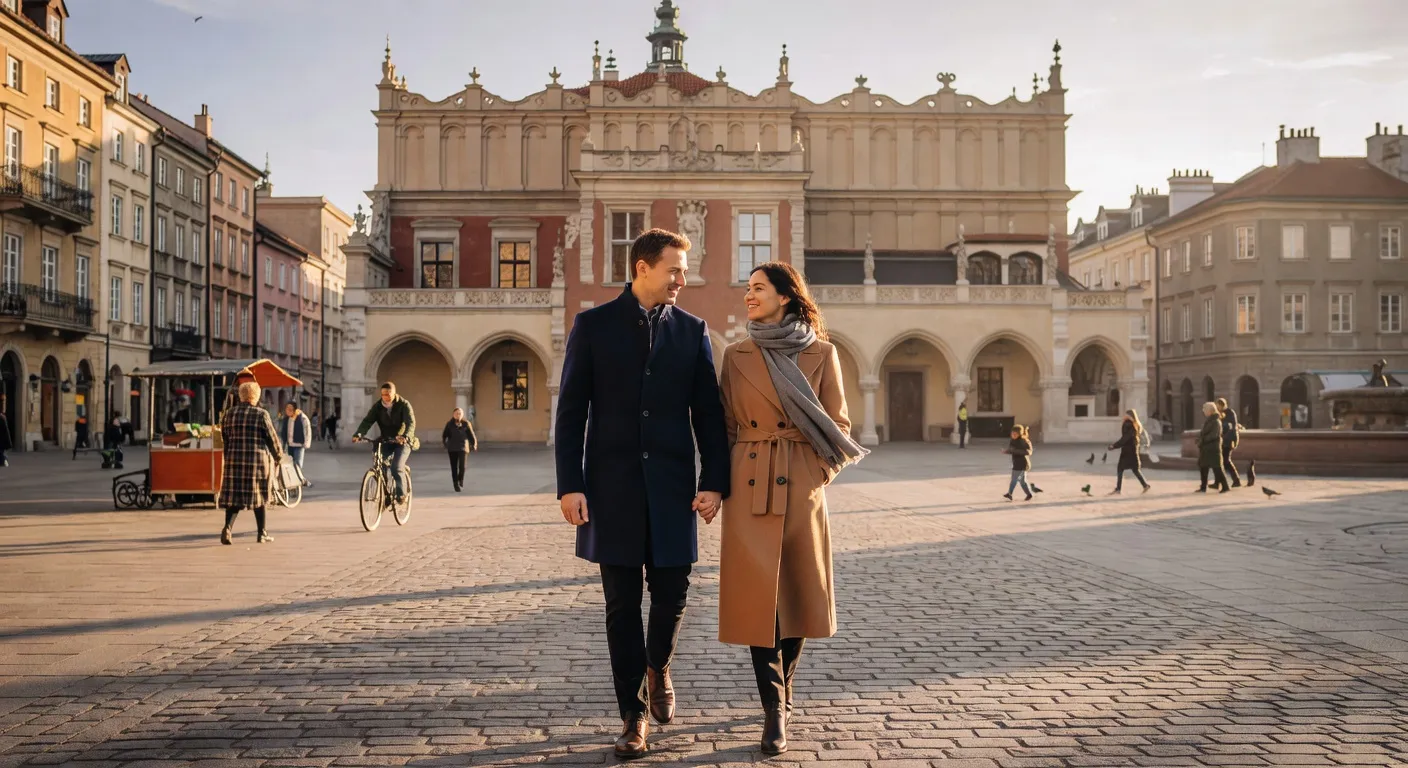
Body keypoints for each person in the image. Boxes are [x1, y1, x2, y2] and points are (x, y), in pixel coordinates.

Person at [554, 228, 729, 760]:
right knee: (621, 605)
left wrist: (713, 481)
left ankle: (658, 665)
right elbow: (571, 412)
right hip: (612, 489)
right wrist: (570, 484)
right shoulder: (592, 326)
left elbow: (708, 415)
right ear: (642, 268)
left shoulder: (692, 330)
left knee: (673, 592)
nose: (682, 280)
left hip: (674, 488)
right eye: (674, 269)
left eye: (684, 271)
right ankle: (633, 717)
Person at [717, 262, 867, 755]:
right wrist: (721, 482)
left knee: (797, 596)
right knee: (759, 600)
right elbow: (726, 426)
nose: (749, 295)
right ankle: (774, 709)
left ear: (784, 296)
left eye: (758, 288)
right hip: (750, 484)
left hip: (801, 483)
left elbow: (838, 426)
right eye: (747, 288)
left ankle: (783, 694)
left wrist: (816, 474)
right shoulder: (736, 354)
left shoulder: (822, 352)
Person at [217, 381, 284, 544]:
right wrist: (278, 456)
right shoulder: (261, 414)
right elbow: (271, 438)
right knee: (259, 496)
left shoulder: (229, 414)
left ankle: (227, 528)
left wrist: (228, 455)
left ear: (241, 395)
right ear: (256, 396)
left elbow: (224, 438)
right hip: (256, 463)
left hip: (234, 461)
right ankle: (262, 533)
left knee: (233, 498)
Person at [352, 382, 418, 503]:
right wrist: (359, 434)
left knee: (395, 467)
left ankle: (401, 495)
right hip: (386, 439)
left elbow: (410, 423)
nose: (385, 397)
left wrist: (406, 436)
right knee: (380, 465)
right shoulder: (378, 406)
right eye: (383, 394)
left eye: (388, 394)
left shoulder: (403, 404)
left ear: (394, 393)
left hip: (402, 441)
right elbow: (367, 421)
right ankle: (385, 494)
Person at [1108, 409, 1150, 494]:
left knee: (1120, 468)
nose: (1124, 416)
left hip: (1128, 451)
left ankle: (1118, 489)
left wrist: (1114, 446)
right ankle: (1145, 485)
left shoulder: (1128, 424)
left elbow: (1125, 438)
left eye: (1126, 414)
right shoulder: (1136, 424)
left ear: (1129, 416)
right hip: (1134, 450)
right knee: (1135, 469)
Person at [277, 402, 314, 487]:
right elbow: (283, 432)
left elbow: (307, 430)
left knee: (297, 465)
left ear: (294, 409)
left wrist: (306, 443)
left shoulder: (302, 418)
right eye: (287, 409)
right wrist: (283, 444)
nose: (288, 410)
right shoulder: (286, 419)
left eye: (290, 409)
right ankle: (297, 481)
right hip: (290, 444)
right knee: (290, 464)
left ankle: (300, 481)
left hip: (299, 445)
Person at [1196, 402, 1230, 493]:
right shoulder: (1209, 420)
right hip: (1206, 448)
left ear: (1210, 411)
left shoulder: (1216, 421)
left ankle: (1225, 486)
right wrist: (1199, 439)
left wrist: (1202, 440)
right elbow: (1204, 433)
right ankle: (1203, 487)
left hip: (1213, 448)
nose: (1203, 411)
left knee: (1217, 468)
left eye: (1205, 409)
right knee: (1203, 468)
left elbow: (1214, 435)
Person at [441, 407, 477, 492]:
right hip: (452, 448)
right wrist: (445, 444)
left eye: (460, 413)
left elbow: (471, 435)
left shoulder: (466, 423)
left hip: (463, 447)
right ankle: (455, 484)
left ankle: (460, 480)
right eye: (456, 413)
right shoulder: (449, 424)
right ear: (453, 414)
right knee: (454, 467)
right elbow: (444, 435)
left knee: (462, 466)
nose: (458, 415)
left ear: (462, 414)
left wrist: (474, 444)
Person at [1001, 424, 1034, 501]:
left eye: (1015, 434)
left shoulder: (1024, 441)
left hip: (1023, 463)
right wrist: (1006, 451)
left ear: (1019, 434)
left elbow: (1029, 452)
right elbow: (1011, 450)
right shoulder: (1013, 441)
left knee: (1014, 479)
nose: (1013, 435)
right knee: (1022, 482)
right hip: (1016, 462)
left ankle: (1009, 494)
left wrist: (1015, 451)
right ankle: (1029, 494)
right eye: (1012, 434)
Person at [1215, 398, 1242, 487]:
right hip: (1224, 440)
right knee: (1221, 461)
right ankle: (1218, 482)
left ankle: (1236, 480)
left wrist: (1231, 440)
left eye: (1218, 405)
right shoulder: (1220, 413)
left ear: (1222, 405)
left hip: (1229, 440)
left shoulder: (1230, 413)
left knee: (1226, 461)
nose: (1217, 407)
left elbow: (1232, 427)